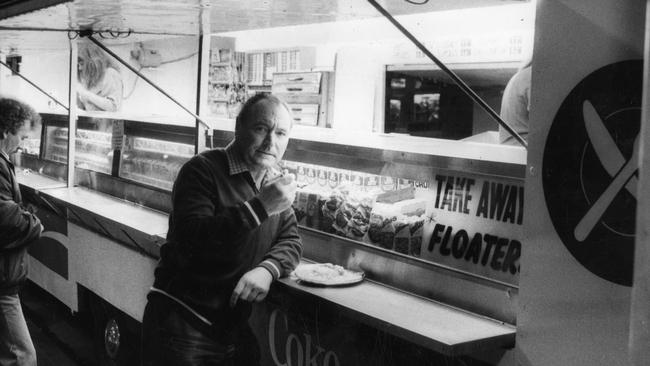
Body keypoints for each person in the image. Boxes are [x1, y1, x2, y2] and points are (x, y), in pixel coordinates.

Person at [141, 94, 302, 366]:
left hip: (231, 331)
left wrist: (268, 269)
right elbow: (193, 239)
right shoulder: (202, 170)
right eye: (261, 128)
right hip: (182, 324)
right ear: (239, 127)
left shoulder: (273, 182)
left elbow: (291, 239)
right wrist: (260, 207)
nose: (270, 142)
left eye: (281, 133)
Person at [0, 98, 43, 366]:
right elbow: (7, 220)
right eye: (21, 136)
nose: (23, 143)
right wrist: (34, 223)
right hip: (1, 281)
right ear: (5, 130)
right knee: (23, 356)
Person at [77, 41, 124, 112]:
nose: (80, 68)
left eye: (82, 64)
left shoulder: (110, 73)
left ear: (92, 63)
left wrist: (87, 94)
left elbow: (113, 107)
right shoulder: (91, 78)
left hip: (107, 122)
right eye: (78, 65)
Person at [499, 59, 532, 145]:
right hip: (522, 149)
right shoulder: (534, 76)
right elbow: (544, 126)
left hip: (512, 146)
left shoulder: (523, 74)